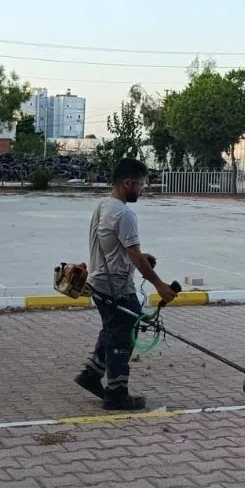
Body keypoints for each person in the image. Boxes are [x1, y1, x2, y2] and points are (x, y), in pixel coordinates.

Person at [76, 158, 176, 410]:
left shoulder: (103, 206)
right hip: (116, 288)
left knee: (113, 330)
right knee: (123, 337)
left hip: (99, 282)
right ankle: (116, 393)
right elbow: (133, 253)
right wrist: (159, 285)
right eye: (141, 185)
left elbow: (117, 247)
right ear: (128, 183)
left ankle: (91, 374)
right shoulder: (125, 213)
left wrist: (140, 257)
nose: (143, 190)